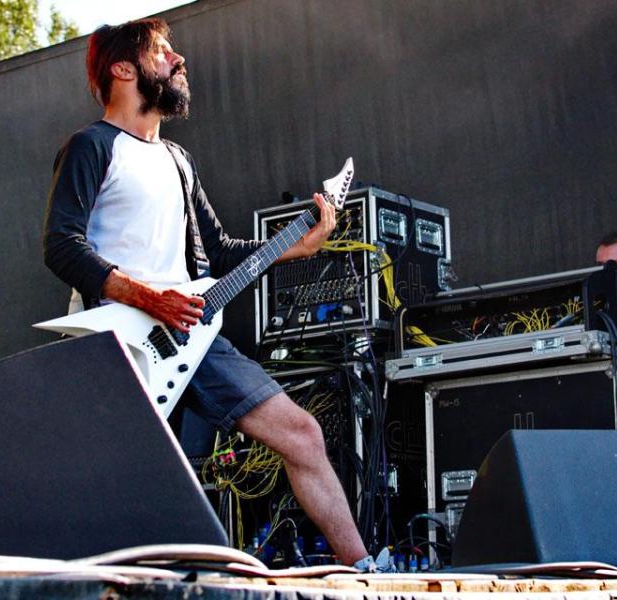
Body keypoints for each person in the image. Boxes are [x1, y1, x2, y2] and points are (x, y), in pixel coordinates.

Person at [43, 19, 386, 571]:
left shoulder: (178, 160)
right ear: (123, 69)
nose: (178, 60)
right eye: (162, 52)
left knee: (302, 433)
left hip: (192, 337)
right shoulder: (91, 147)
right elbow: (61, 246)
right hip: (121, 346)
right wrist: (147, 298)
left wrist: (299, 245)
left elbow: (220, 252)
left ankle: (364, 570)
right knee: (121, 481)